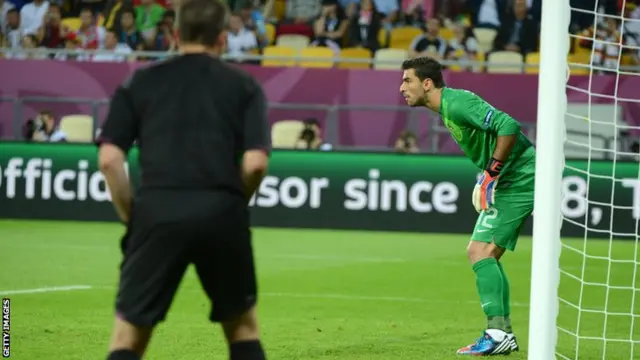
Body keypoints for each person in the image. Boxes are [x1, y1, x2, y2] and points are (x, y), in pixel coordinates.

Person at [96, 0, 270, 358]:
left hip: (157, 212)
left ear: (175, 35)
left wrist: (135, 218)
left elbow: (110, 160)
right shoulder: (244, 86)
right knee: (243, 330)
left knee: (128, 338)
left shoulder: (140, 82)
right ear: (222, 39)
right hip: (222, 212)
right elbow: (255, 164)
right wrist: (232, 203)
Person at [399, 56, 535, 356]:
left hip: (520, 177)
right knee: (486, 254)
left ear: (427, 83)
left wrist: (491, 173)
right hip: (512, 177)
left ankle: (499, 333)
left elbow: (508, 124)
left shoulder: (457, 103)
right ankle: (501, 333)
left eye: (407, 80)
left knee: (479, 251)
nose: (401, 87)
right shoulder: (447, 107)